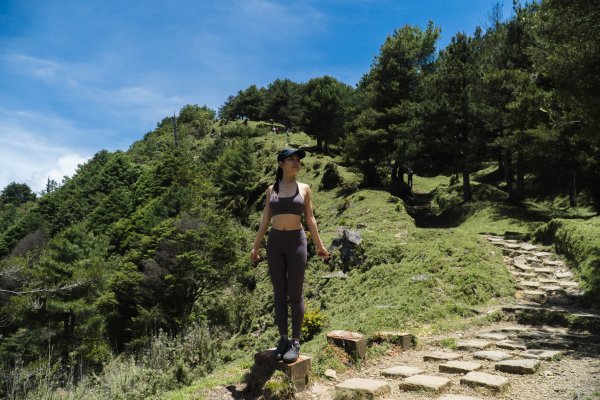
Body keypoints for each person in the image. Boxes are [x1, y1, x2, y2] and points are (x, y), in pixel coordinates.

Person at [250, 148, 329, 363]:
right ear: (280, 164)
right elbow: (265, 220)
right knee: (279, 294)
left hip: (297, 243)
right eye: (291, 160)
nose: (296, 163)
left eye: (298, 160)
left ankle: (295, 341)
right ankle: (283, 339)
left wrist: (319, 245)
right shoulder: (271, 190)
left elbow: (311, 219)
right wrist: (255, 247)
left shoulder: (304, 189)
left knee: (295, 294)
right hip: (274, 244)